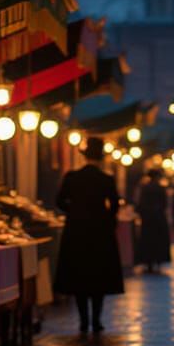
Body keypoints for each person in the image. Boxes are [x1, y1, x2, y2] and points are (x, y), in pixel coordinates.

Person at [53, 138, 125, 333]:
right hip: (100, 232)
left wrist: (74, 212)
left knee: (79, 276)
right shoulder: (106, 179)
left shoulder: (72, 177)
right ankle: (96, 319)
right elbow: (115, 204)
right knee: (98, 277)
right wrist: (105, 218)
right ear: (101, 157)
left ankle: (83, 320)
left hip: (76, 231)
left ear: (84, 156)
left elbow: (60, 201)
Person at [135, 169, 171, 273]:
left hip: (147, 219)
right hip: (158, 218)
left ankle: (148, 263)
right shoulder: (160, 188)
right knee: (159, 240)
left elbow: (140, 204)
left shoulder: (144, 188)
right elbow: (164, 204)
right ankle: (158, 263)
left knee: (148, 240)